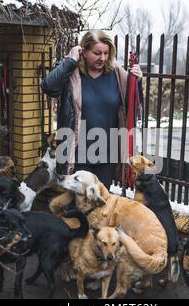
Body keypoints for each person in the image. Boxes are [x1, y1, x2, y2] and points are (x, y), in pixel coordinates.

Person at [41, 30, 142, 190]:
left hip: (107, 155)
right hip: (77, 154)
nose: (102, 58)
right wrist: (70, 61)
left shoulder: (117, 74)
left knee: (100, 207)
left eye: (106, 53)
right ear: (84, 51)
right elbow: (48, 87)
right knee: (77, 207)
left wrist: (137, 83)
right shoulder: (72, 73)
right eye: (97, 53)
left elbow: (133, 109)